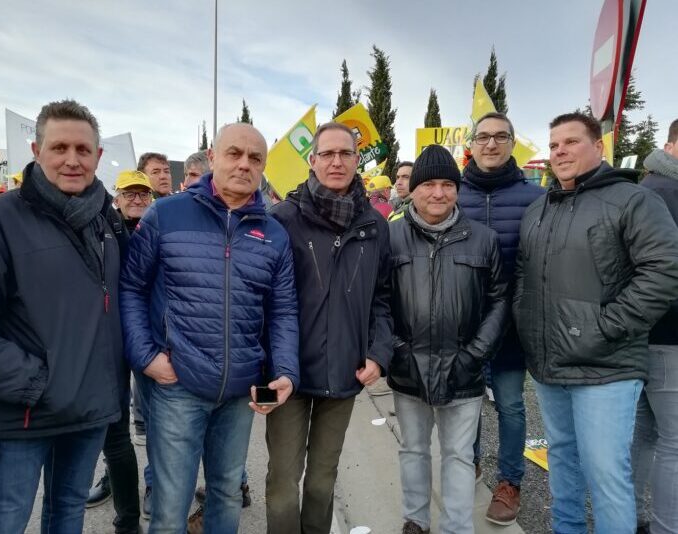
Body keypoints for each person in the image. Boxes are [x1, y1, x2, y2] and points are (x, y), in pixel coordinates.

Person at [0, 99, 129, 534]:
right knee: (2, 523)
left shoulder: (105, 222)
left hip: (88, 410)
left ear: (98, 156)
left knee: (66, 518)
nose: (72, 160)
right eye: (59, 148)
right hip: (23, 413)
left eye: (83, 149)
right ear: (37, 152)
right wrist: (38, 384)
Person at [121, 122, 299, 533]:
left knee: (226, 493)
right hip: (177, 386)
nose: (244, 164)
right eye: (234, 153)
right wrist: (146, 357)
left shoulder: (273, 233)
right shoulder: (166, 214)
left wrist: (286, 371)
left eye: (255, 158)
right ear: (212, 156)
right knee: (170, 505)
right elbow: (132, 288)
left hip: (239, 391)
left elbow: (283, 310)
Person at [514, 112, 678, 534]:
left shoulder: (634, 201)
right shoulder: (539, 209)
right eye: (553, 146)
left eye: (571, 142)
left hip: (607, 367)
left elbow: (664, 271)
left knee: (606, 476)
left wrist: (607, 327)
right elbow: (523, 275)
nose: (560, 151)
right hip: (550, 365)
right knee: (563, 463)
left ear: (598, 147)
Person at [265, 122, 392, 534]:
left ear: (358, 161)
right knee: (283, 484)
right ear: (312, 160)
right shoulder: (282, 219)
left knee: (322, 482)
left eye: (346, 154)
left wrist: (379, 353)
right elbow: (263, 297)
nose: (337, 162)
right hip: (287, 375)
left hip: (344, 373)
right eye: (328, 154)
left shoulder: (375, 226)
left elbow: (383, 298)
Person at [389, 144, 507, 534]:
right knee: (413, 450)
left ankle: (456, 528)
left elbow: (499, 300)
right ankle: (415, 520)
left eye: (447, 184)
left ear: (457, 189)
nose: (437, 193)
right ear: (413, 189)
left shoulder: (483, 239)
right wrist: (396, 351)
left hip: (464, 369)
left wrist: (474, 355)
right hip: (409, 367)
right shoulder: (389, 238)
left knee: (459, 455)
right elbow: (377, 302)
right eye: (428, 185)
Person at [458, 111, 545, 525]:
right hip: (463, 324)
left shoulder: (534, 197)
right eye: (483, 137)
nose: (491, 144)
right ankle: (467, 466)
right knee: (468, 404)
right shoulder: (452, 195)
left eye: (500, 136)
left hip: (511, 326)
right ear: (471, 145)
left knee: (511, 405)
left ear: (512, 143)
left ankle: (509, 482)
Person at [86, 169, 153, 533]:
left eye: (143, 194)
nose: (138, 199)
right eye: (131, 193)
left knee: (156, 421)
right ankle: (118, 492)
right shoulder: (103, 228)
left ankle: (152, 488)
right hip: (110, 342)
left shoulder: (157, 228)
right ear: (118, 197)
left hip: (147, 342)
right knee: (113, 425)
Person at [631, 118, 678, 534]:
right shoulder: (666, 193)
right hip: (669, 337)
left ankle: (626, 519)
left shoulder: (644, 188)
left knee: (645, 433)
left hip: (641, 337)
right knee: (674, 443)